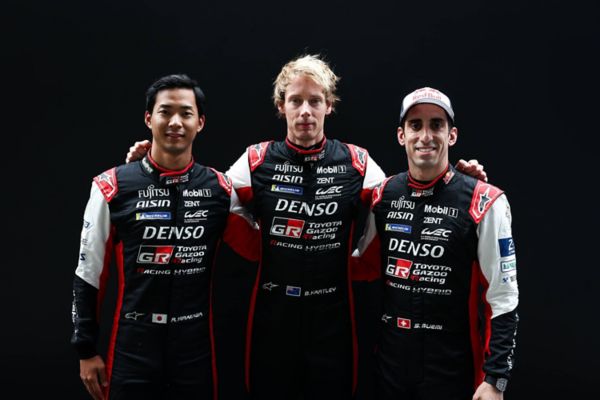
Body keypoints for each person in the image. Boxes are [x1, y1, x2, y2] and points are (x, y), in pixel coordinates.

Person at [126, 56, 486, 399]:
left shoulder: (357, 162)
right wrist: (152, 165)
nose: (305, 111)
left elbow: (405, 195)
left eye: (315, 101)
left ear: (329, 105)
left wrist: (456, 181)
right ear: (280, 106)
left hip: (332, 320)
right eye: (295, 100)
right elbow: (203, 191)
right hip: (272, 317)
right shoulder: (256, 159)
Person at [71, 74, 256, 400]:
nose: (175, 122)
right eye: (164, 112)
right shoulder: (111, 186)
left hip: (194, 344)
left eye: (185, 113)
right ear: (148, 118)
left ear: (200, 123)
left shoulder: (220, 189)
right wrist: (85, 348)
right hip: (133, 343)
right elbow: (89, 274)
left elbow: (258, 246)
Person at [352, 87, 519, 400]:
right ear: (401, 135)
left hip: (452, 368)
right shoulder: (384, 194)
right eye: (415, 125)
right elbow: (363, 264)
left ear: (451, 135)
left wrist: (496, 378)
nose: (425, 135)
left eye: (436, 125)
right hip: (390, 364)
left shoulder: (485, 200)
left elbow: (503, 296)